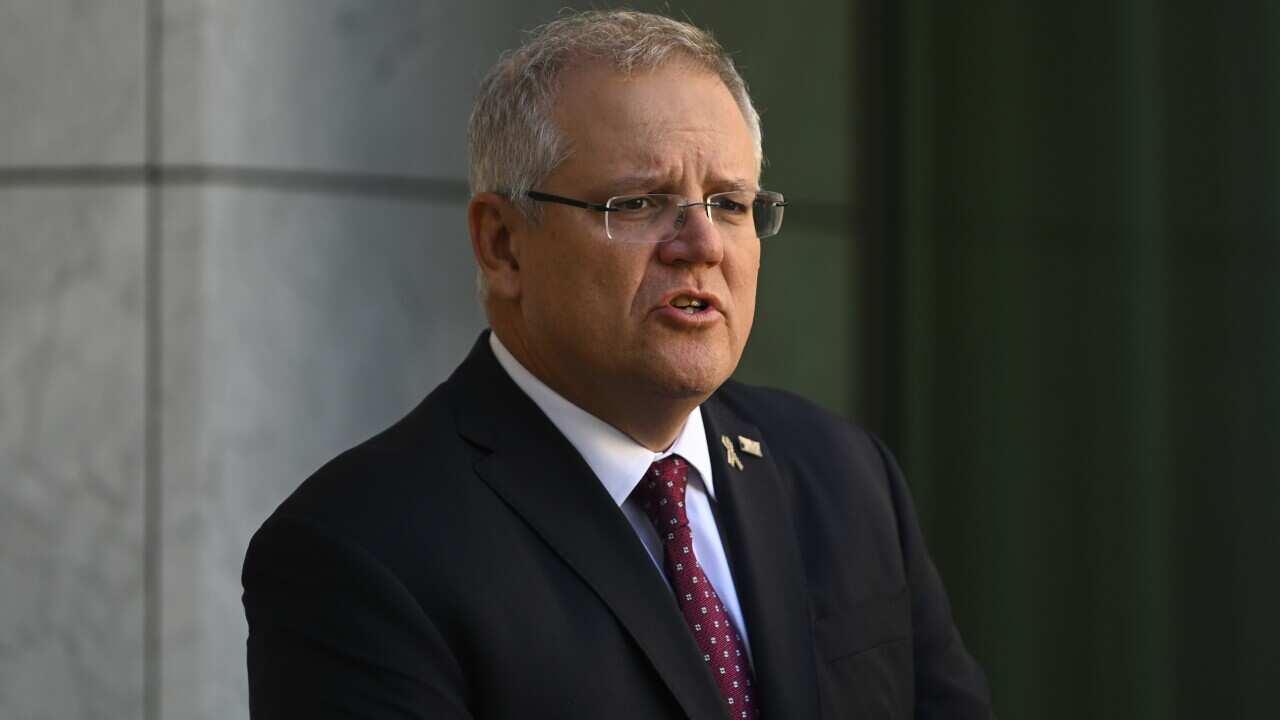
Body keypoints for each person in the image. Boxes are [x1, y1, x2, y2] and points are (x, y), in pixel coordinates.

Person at [242, 10, 991, 719]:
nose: (701, 244)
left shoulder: (847, 479)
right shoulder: (360, 550)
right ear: (503, 244)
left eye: (730, 204)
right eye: (638, 203)